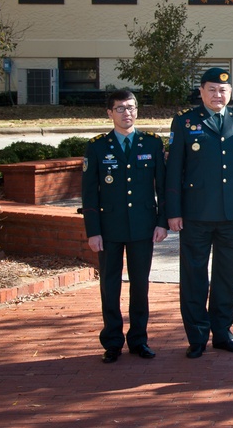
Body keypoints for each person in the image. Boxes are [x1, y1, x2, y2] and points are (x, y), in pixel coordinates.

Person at [166, 67, 233, 359]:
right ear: (202, 92)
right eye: (213, 90)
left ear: (230, 93)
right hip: (196, 214)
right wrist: (174, 211)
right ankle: (197, 335)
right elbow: (174, 171)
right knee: (194, 275)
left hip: (232, 214)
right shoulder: (185, 121)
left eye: (224, 90)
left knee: (226, 276)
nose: (219, 95)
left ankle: (222, 332)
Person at [81, 89, 168, 363]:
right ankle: (113, 341)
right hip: (109, 229)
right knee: (110, 285)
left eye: (131, 107)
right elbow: (89, 194)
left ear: (137, 110)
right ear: (109, 113)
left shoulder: (152, 144)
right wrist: (93, 230)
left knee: (140, 285)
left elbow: (162, 188)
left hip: (143, 227)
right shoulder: (96, 146)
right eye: (120, 108)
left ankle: (139, 340)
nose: (126, 113)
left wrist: (162, 222)